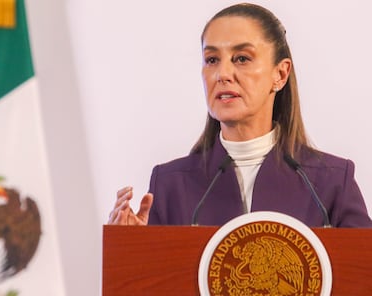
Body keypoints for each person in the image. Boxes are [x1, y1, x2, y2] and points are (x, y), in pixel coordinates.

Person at [107, 3, 372, 227]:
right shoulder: (171, 185)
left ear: (280, 74)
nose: (222, 74)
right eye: (212, 60)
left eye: (241, 58)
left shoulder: (331, 182)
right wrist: (129, 248)